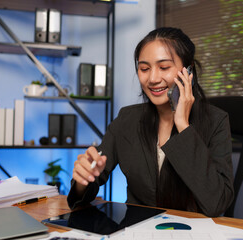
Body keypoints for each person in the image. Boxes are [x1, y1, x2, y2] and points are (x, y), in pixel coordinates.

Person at [68, 27, 234, 217]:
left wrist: (183, 125)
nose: (153, 79)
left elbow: (217, 203)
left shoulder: (216, 121)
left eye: (164, 67)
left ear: (188, 71)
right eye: (144, 68)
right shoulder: (127, 120)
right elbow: (87, 185)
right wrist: (83, 180)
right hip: (135, 231)